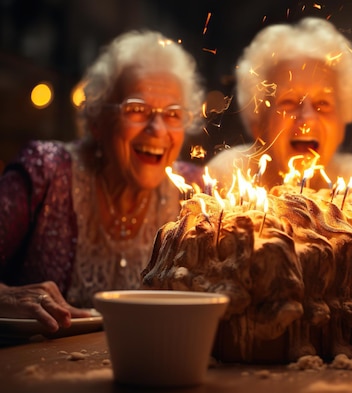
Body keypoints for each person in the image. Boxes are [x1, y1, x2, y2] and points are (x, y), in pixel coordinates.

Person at [0, 30, 205, 332]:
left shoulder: (195, 195)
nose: (157, 129)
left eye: (173, 114)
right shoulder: (45, 172)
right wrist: (5, 295)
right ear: (97, 120)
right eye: (137, 109)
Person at [206, 17, 352, 192]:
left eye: (322, 103)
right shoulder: (228, 175)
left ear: (341, 126)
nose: (308, 118)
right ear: (258, 123)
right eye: (288, 102)